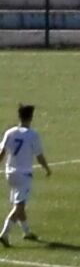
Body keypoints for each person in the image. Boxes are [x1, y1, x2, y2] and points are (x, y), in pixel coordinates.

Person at [0, 104, 51, 245]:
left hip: (10, 173)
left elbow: (2, 153)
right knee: (19, 206)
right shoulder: (32, 135)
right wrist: (47, 168)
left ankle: (27, 232)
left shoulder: (10, 132)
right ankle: (4, 234)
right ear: (31, 117)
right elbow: (39, 156)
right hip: (24, 175)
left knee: (19, 203)